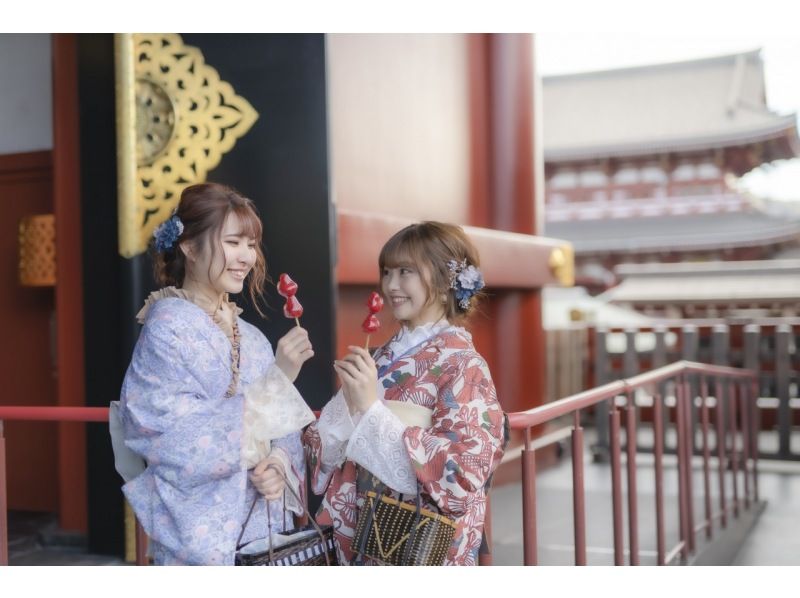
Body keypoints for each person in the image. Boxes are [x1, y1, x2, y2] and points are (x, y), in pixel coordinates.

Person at [115, 183, 315, 565]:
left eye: (251, 244)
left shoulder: (253, 338)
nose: (246, 257)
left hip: (261, 529)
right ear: (188, 247)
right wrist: (278, 380)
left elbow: (284, 431)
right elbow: (170, 432)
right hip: (203, 529)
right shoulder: (167, 327)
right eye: (233, 242)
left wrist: (278, 464)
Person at [303, 221, 506, 565]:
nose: (390, 285)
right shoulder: (379, 356)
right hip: (363, 530)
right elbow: (323, 447)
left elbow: (461, 473)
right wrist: (348, 411)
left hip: (420, 541)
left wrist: (370, 409)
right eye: (386, 272)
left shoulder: (465, 365)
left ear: (445, 282)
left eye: (405, 272)